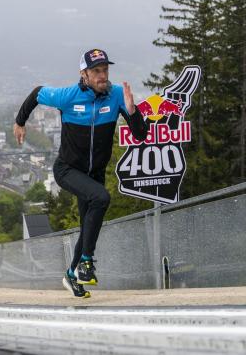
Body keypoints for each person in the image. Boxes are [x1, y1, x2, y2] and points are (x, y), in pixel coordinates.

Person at [13, 48, 147, 298]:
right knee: (101, 198)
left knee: (88, 226)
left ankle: (72, 274)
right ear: (83, 74)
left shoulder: (117, 95)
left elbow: (140, 135)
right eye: (96, 71)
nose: (102, 75)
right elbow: (36, 93)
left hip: (94, 174)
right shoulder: (67, 96)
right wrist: (19, 122)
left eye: (105, 70)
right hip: (67, 170)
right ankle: (86, 262)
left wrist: (131, 110)